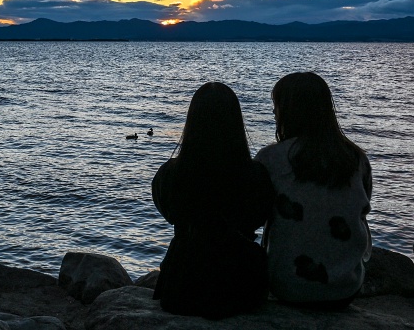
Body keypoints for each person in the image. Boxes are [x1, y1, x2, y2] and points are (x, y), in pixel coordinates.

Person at [152, 82, 273, 319]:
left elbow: (167, 211)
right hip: (241, 285)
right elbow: (260, 216)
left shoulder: (171, 174)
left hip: (182, 285)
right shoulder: (255, 175)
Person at [255, 72, 372, 309]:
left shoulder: (270, 158)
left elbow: (255, 213)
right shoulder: (356, 159)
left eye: (276, 107)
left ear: (287, 111)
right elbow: (363, 207)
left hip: (287, 287)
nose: (274, 114)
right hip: (345, 287)